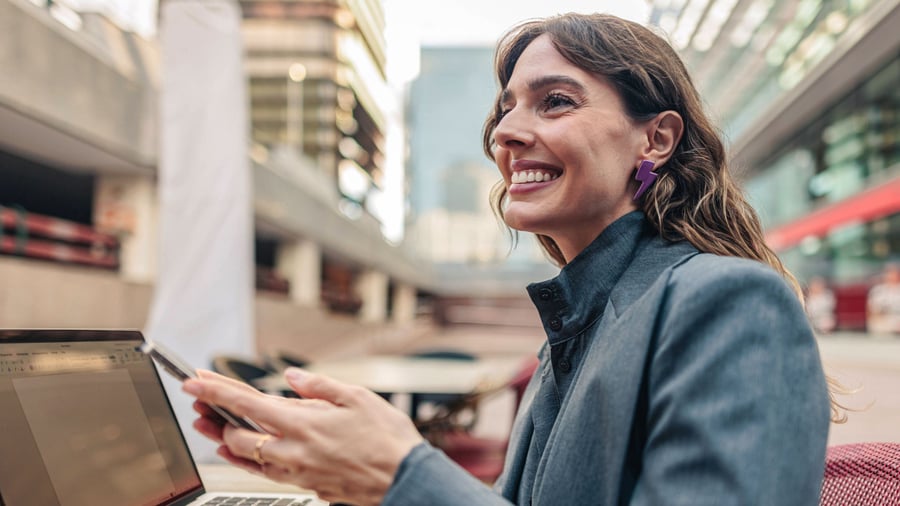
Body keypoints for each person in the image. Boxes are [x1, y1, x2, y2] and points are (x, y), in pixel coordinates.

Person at [182, 13, 835, 505]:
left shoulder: (729, 304)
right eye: (506, 109)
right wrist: (355, 479)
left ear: (655, 138)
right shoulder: (580, 323)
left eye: (556, 101)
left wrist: (404, 477)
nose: (504, 134)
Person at [867, 262, 900, 336]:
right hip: (884, 325)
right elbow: (872, 312)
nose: (892, 276)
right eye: (890, 274)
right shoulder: (878, 291)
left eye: (895, 274)